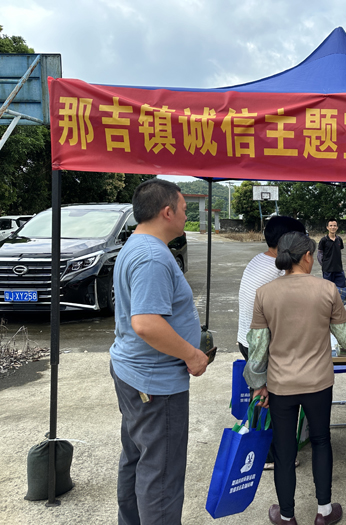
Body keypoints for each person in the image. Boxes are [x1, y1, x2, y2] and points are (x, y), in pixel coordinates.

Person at [244, 231, 346, 525]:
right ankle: (324, 512)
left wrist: (258, 385)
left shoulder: (264, 293)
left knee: (284, 450)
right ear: (308, 256)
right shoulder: (327, 290)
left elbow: (258, 349)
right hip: (318, 383)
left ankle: (287, 515)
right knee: (322, 441)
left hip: (280, 385)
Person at [109, 178, 209, 524]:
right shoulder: (152, 256)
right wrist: (191, 355)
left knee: (138, 458)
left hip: (134, 371)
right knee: (161, 474)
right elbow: (146, 323)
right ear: (167, 212)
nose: (186, 216)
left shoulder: (137, 245)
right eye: (183, 209)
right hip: (155, 382)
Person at [237, 216, 306, 469]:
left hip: (247, 339)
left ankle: (264, 449)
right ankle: (270, 456)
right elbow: (308, 295)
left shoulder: (259, 259)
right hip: (261, 345)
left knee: (263, 395)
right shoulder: (278, 269)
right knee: (273, 399)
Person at [318, 219, 346, 287]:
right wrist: (325, 264)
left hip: (338, 269)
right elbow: (319, 255)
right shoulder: (324, 240)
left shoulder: (339, 239)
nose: (333, 227)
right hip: (327, 270)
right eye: (330, 226)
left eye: (334, 226)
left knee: (341, 289)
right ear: (327, 227)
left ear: (337, 227)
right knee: (328, 290)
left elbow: (339, 251)